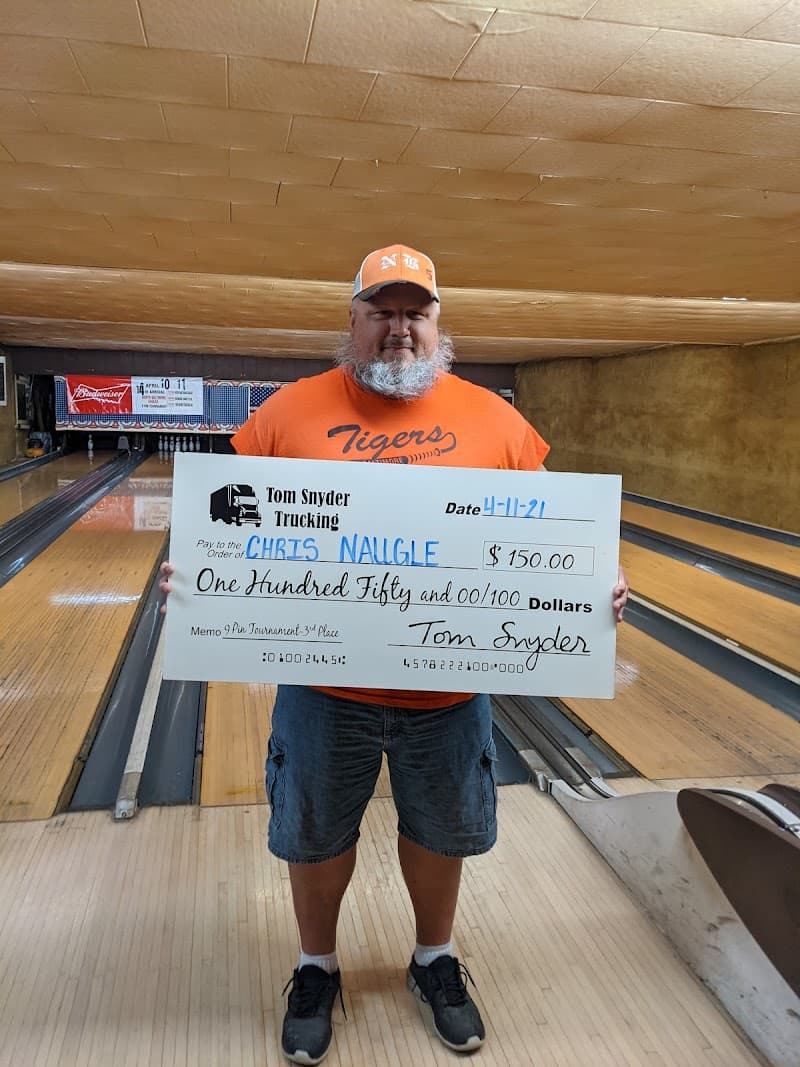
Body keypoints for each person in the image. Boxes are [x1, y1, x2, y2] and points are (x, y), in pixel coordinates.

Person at [160, 244, 629, 1064]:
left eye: (415, 312)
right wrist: (197, 573)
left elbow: (552, 539)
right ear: (353, 320)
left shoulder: (497, 420)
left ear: (439, 324)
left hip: (450, 691)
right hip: (323, 687)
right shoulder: (286, 413)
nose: (399, 329)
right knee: (311, 833)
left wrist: (597, 582)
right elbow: (224, 528)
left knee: (444, 830)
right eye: (382, 311)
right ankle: (316, 967)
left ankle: (434, 958)